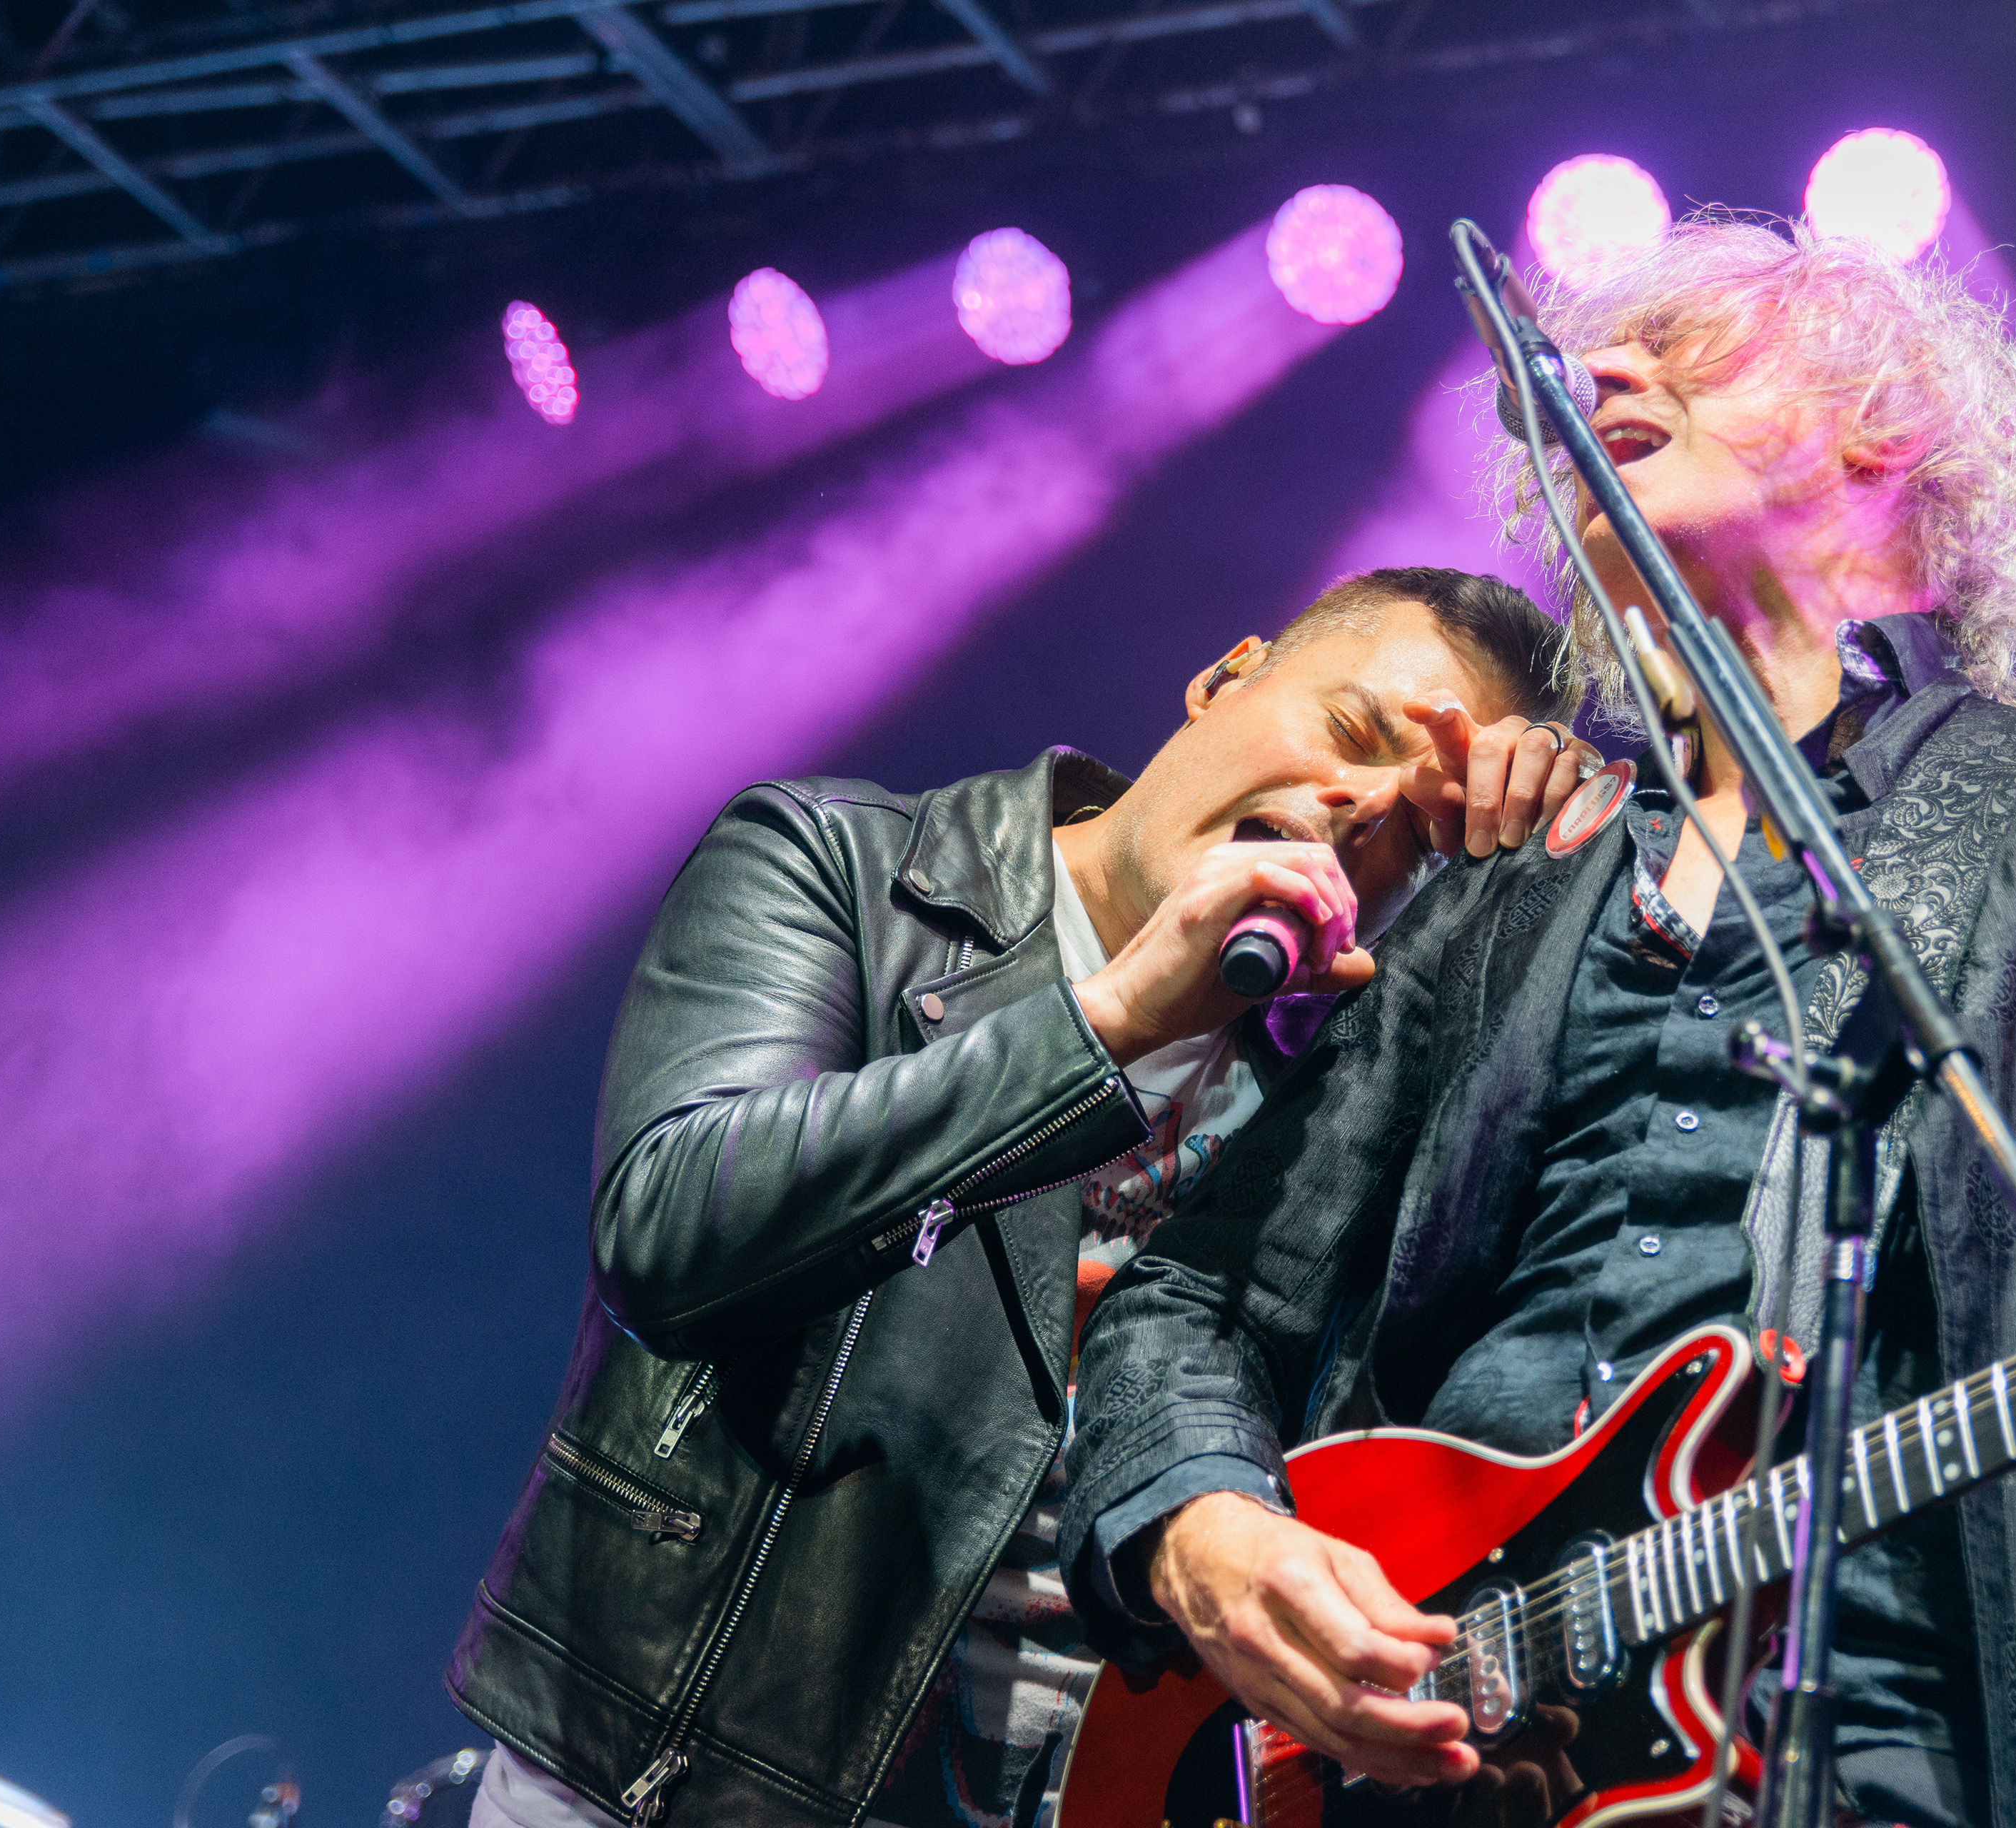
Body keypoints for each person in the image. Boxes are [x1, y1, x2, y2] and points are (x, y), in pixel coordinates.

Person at [1059, 221, 2016, 1828]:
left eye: (1686, 344)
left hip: (1905, 1765)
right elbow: (1193, 1287)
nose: (1605, 368)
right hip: (1420, 1756)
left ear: (1883, 427)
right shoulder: (1505, 872)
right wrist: (1209, 1535)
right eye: (1603, 355)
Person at [443, 566, 1599, 1828]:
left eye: (1422, 831)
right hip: (681, 1785)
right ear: (1227, 675)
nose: (1362, 809)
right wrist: (1102, 1028)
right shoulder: (846, 868)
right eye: (1353, 732)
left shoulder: (1341, 1092)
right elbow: (673, 1230)